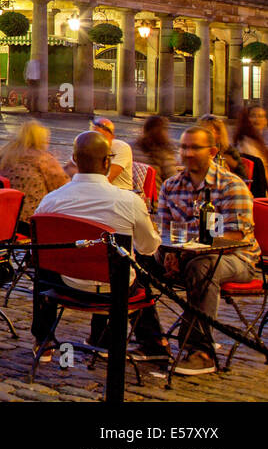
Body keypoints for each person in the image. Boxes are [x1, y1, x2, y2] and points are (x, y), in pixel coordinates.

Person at [32, 131, 168, 362]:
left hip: (67, 284)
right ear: (107, 162)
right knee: (136, 264)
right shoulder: (128, 201)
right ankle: (152, 341)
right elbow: (148, 247)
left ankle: (43, 340)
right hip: (115, 289)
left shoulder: (51, 201)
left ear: (74, 159)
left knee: (45, 261)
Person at [155, 124, 260, 376]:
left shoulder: (231, 186)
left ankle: (201, 351)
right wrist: (170, 252)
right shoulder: (171, 186)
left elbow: (234, 236)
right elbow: (165, 229)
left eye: (195, 148)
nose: (188, 153)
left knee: (202, 266)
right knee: (138, 257)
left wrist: (190, 252)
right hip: (183, 255)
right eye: (183, 147)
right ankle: (150, 339)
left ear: (212, 151)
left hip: (236, 257)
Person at [0, 120, 68, 231]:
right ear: (40, 140)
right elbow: (63, 188)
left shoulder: (2, 155)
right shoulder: (43, 159)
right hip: (27, 221)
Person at [232, 105, 268, 197]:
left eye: (261, 116)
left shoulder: (258, 141)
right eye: (253, 115)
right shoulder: (245, 142)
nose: (257, 119)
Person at [89, 117, 133, 190]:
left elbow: (107, 179)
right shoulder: (86, 146)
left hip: (120, 191)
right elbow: (70, 169)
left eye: (103, 138)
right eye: (95, 138)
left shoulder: (121, 148)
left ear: (112, 137)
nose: (99, 142)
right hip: (94, 190)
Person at [133, 114, 179, 185]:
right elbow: (173, 180)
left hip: (132, 191)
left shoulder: (131, 147)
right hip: (155, 194)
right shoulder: (164, 153)